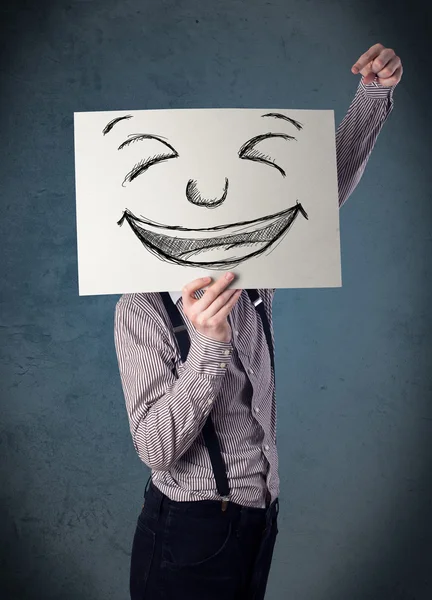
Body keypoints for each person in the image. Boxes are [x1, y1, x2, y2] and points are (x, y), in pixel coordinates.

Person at [114, 43, 403, 600]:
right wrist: (208, 346)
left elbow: (319, 192)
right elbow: (154, 449)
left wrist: (373, 93)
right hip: (190, 531)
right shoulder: (140, 307)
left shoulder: (253, 278)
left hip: (259, 520)